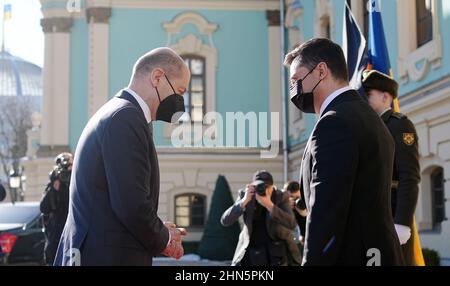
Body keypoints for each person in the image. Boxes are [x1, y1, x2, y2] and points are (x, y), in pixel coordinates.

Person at [53, 47, 190, 266]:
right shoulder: (126, 117)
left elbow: (117, 199)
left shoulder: (120, 113)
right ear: (157, 77)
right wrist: (163, 237)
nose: (181, 102)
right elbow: (131, 204)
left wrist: (159, 229)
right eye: (180, 91)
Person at [284, 38, 404, 265]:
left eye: (296, 80)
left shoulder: (335, 123)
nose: (293, 89)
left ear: (321, 71)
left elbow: (326, 216)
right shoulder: (368, 117)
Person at [362, 70, 421, 266]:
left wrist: (402, 222)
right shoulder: (369, 127)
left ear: (385, 96)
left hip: (393, 217)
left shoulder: (399, 126)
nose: (363, 99)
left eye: (368, 94)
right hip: (373, 217)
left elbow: (409, 177)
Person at [221, 170, 297, 266]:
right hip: (251, 251)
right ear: (253, 186)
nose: (263, 189)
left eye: (266, 187)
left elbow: (291, 223)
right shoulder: (247, 195)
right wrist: (243, 202)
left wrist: (270, 205)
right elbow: (225, 221)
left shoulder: (280, 196)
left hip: (275, 251)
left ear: (272, 187)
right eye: (259, 186)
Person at [40, 152, 73, 265]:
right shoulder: (54, 183)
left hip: (72, 233)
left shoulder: (78, 180)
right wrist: (54, 189)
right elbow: (44, 207)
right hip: (56, 236)